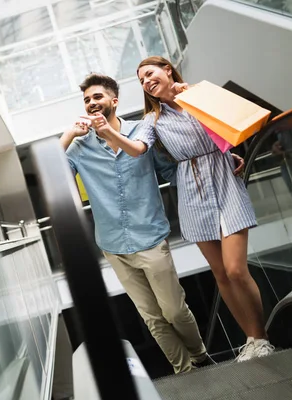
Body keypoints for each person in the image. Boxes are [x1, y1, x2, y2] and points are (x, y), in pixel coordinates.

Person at [81, 56, 274, 362]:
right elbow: (137, 149)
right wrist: (108, 133)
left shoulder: (201, 94)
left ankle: (261, 337)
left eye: (150, 74)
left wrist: (227, 148)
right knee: (221, 275)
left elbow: (237, 121)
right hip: (190, 191)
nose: (146, 82)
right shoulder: (151, 120)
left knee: (237, 269)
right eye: (141, 80)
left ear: (167, 70)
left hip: (223, 179)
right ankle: (250, 341)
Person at [61, 73, 225, 373]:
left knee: (174, 310)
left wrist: (218, 172)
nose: (92, 103)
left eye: (97, 97)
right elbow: (55, 172)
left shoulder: (141, 131)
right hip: (113, 245)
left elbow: (173, 171)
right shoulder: (81, 147)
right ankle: (184, 371)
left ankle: (200, 355)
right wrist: (69, 134)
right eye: (86, 100)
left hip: (150, 236)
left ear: (114, 100)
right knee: (152, 317)